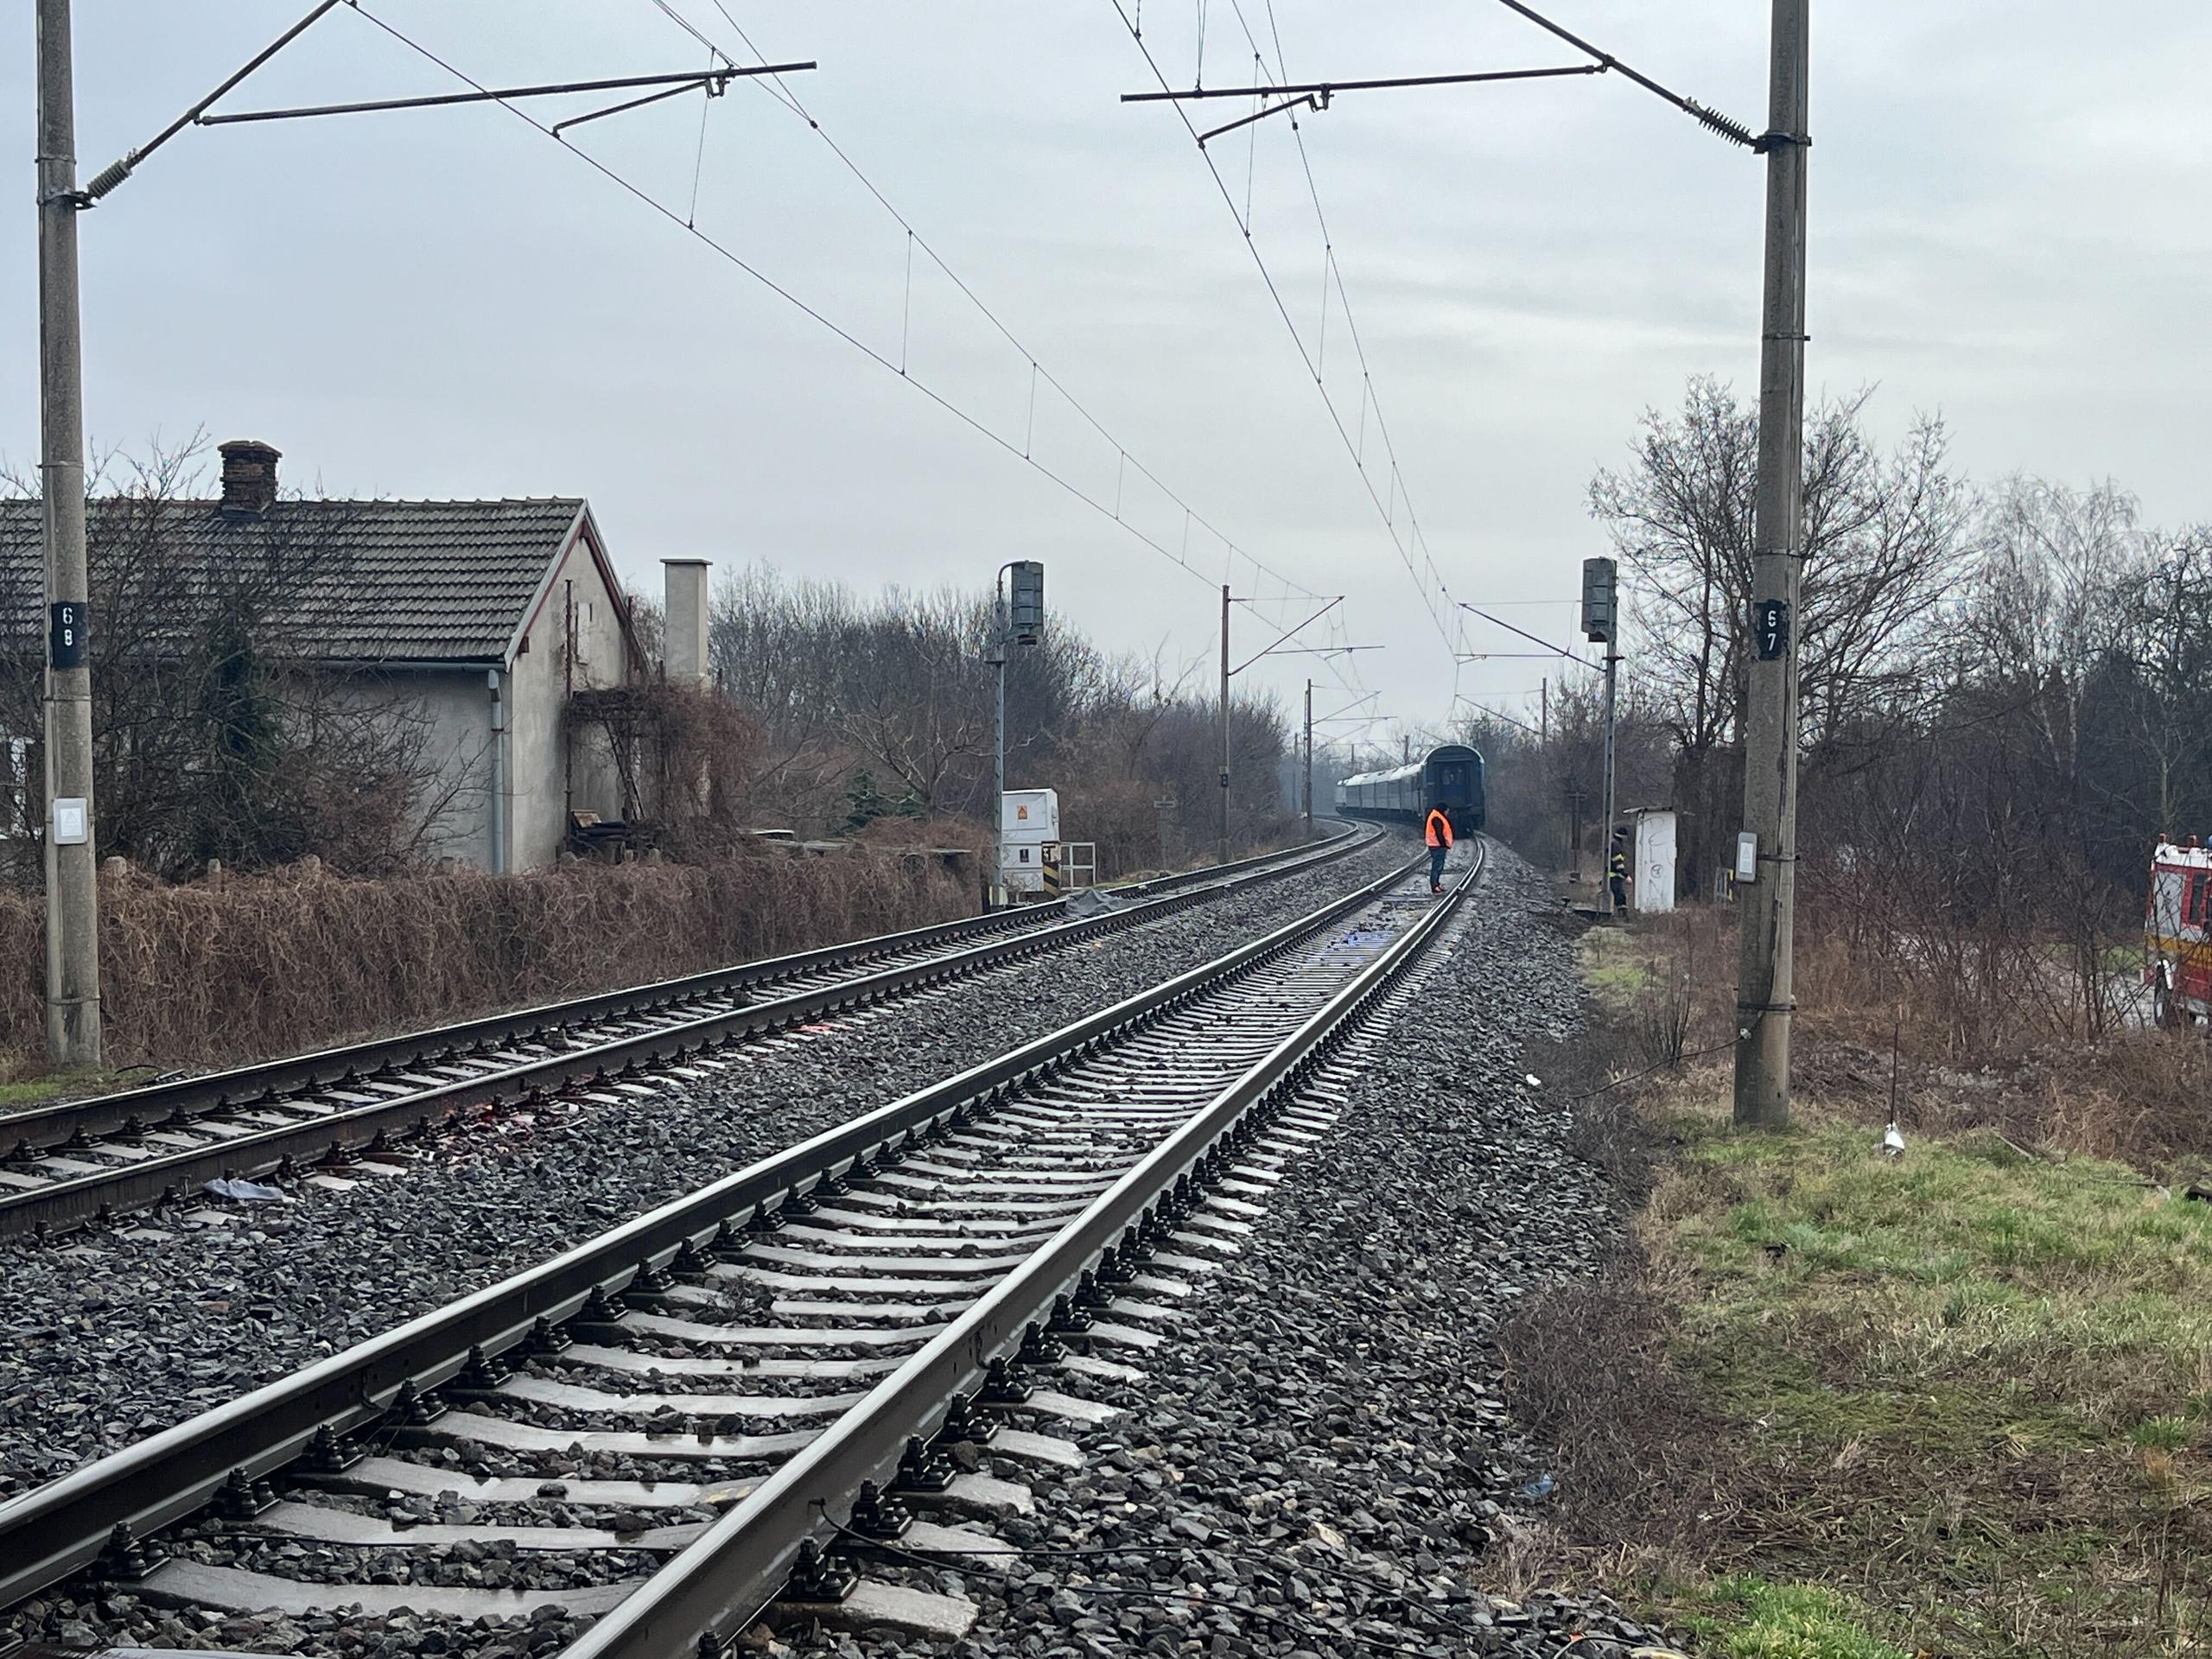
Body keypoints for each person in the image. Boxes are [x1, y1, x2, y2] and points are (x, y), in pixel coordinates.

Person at [1425, 801, 1453, 893]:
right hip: (1437, 846)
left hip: (1436, 845)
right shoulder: (1437, 818)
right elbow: (1439, 833)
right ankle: (1434, 886)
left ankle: (1437, 884)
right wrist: (1443, 844)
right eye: (1447, 811)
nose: (1447, 813)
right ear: (1443, 810)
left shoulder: (1437, 816)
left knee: (1438, 866)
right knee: (1437, 866)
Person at [1609, 830, 1630, 912]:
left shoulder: (1615, 843)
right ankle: (1621, 916)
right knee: (1620, 897)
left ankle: (1619, 914)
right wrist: (1626, 875)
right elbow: (1618, 862)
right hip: (1615, 876)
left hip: (1615, 876)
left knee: (1619, 896)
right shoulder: (1616, 845)